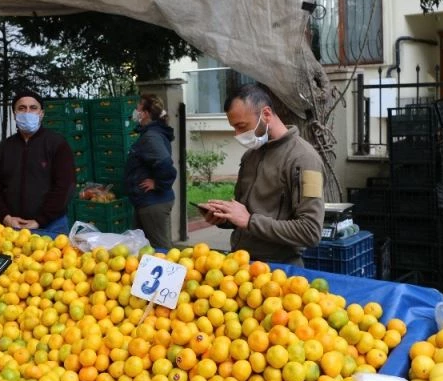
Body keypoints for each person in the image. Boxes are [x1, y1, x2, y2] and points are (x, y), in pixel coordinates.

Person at [203, 84, 324, 266]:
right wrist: (225, 218)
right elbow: (244, 216)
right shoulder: (250, 155)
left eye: (241, 126)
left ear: (266, 115)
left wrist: (250, 221)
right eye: (234, 128)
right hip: (240, 264)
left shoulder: (305, 160)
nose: (237, 134)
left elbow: (310, 231)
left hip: (279, 272)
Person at [0, 90, 75, 237]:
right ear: (14, 114)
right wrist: (5, 217)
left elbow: (65, 187)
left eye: (33, 108)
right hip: (11, 229)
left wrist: (40, 220)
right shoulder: (3, 149)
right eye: (22, 108)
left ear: (41, 113)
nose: (27, 112)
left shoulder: (57, 144)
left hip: (51, 227)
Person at [123, 94, 177, 248]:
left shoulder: (151, 137)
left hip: (153, 203)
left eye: (138, 108)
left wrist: (158, 184)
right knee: (142, 248)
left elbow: (166, 165)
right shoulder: (150, 134)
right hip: (146, 202)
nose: (135, 111)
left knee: (160, 250)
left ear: (145, 113)